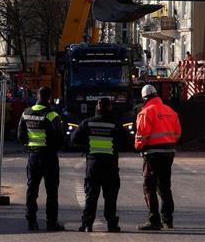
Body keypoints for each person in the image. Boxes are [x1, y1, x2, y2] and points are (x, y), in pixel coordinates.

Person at [72, 97, 132, 232]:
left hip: (93, 164)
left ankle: (87, 224)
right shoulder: (116, 125)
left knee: (91, 195)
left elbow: (74, 139)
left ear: (97, 107)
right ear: (110, 107)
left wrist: (87, 142)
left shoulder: (87, 123)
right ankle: (111, 224)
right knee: (110, 196)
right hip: (110, 165)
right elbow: (128, 142)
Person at [134, 84, 181, 231]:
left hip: (152, 154)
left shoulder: (145, 112)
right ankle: (168, 220)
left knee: (149, 186)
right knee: (165, 187)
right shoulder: (170, 111)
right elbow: (177, 134)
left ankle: (154, 220)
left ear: (144, 98)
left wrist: (138, 146)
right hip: (168, 152)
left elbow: (141, 136)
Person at [17, 86, 65, 231]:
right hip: (49, 157)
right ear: (49, 98)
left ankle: (31, 221)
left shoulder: (26, 113)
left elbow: (21, 136)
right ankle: (51, 223)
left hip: (33, 156)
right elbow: (60, 138)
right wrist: (53, 148)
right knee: (51, 192)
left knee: (32, 190)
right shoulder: (52, 115)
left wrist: (29, 145)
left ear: (37, 96)